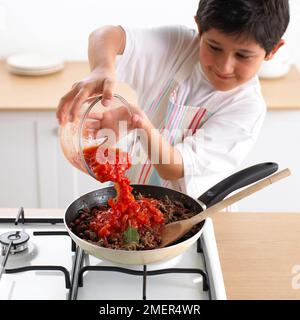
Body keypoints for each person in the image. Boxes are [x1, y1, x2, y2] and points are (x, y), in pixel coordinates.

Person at [56, 0, 290, 199]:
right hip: (132, 192)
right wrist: (102, 69)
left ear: (272, 50)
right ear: (199, 28)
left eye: (242, 55)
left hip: (193, 219)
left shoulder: (247, 108)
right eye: (214, 47)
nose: (224, 65)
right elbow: (106, 35)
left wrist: (139, 123)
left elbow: (174, 168)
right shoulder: (180, 46)